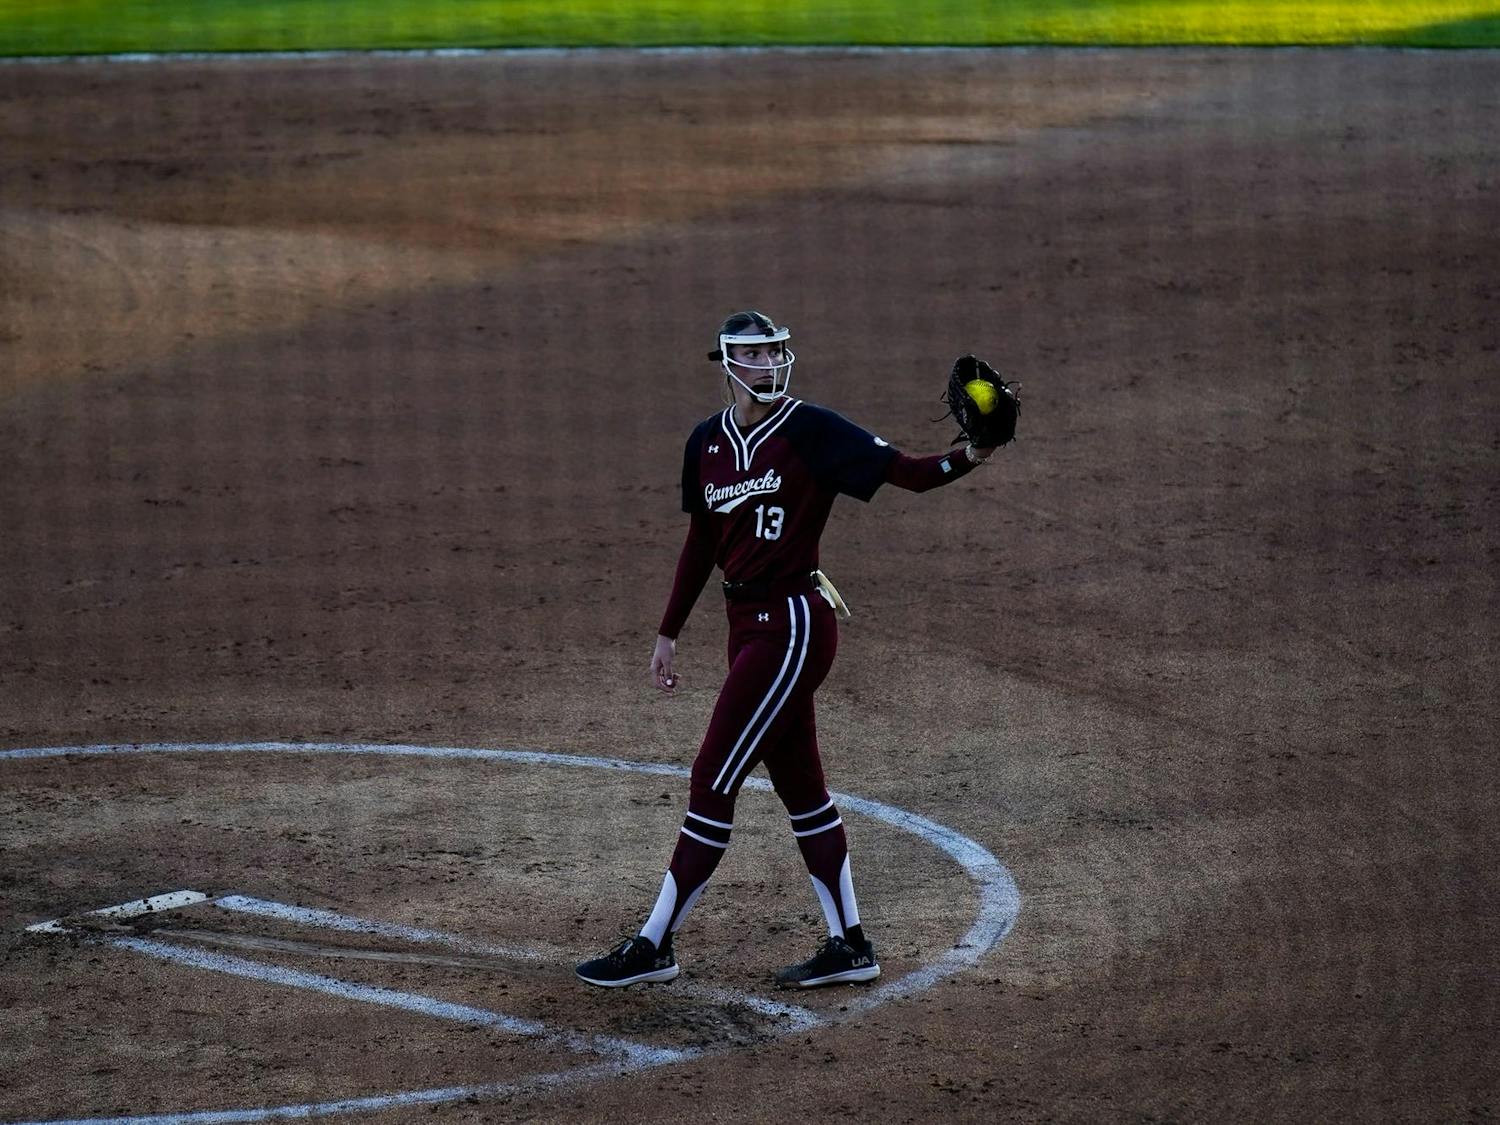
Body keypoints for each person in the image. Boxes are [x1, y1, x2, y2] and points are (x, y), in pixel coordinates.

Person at [576, 310, 1002, 989]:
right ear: (728, 365)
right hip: (745, 625)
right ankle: (851, 944)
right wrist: (668, 630)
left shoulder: (811, 430)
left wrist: (973, 453)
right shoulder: (706, 444)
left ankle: (655, 942)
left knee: (712, 776)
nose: (770, 364)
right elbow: (701, 545)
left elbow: (909, 472)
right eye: (755, 355)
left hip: (794, 623)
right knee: (802, 788)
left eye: (777, 352)